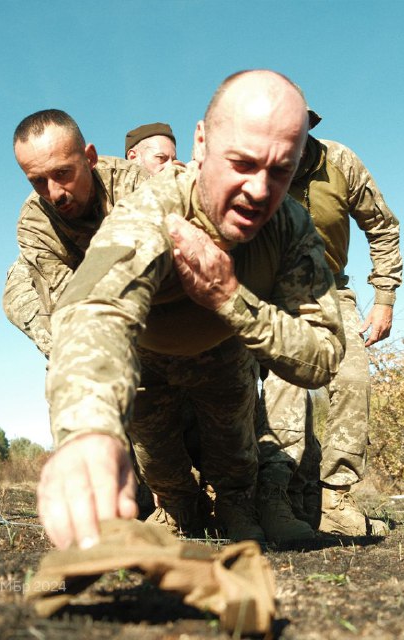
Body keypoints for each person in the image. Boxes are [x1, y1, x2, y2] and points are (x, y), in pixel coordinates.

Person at [37, 69, 346, 550]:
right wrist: (87, 432)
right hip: (148, 363)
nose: (260, 192)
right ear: (200, 144)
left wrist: (229, 299)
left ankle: (247, 506)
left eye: (281, 170)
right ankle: (179, 513)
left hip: (225, 355)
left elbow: (324, 354)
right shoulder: (155, 209)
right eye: (241, 163)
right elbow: (94, 310)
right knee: (165, 475)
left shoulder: (291, 227)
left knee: (236, 469)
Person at [255, 110, 403, 542]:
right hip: (269, 292)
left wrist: (385, 298)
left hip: (330, 291)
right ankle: (276, 497)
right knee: (286, 389)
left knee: (354, 378)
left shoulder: (339, 161)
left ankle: (336, 498)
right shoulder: (253, 168)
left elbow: (383, 226)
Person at [1, 110, 148, 357]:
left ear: (90, 158)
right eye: (38, 181)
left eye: (62, 173)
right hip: (81, 291)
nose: (54, 193)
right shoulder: (34, 224)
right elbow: (68, 304)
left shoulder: (132, 184)